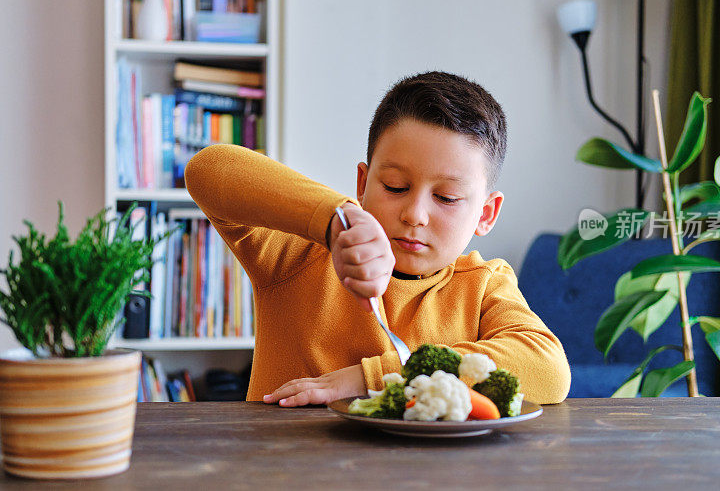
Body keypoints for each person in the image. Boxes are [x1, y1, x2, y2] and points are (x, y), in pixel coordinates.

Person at [185, 71, 570, 407]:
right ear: (363, 184)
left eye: (446, 198)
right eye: (395, 186)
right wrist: (336, 219)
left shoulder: (484, 285)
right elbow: (208, 169)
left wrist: (376, 377)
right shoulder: (302, 254)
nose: (415, 215)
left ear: (485, 214)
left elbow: (548, 369)